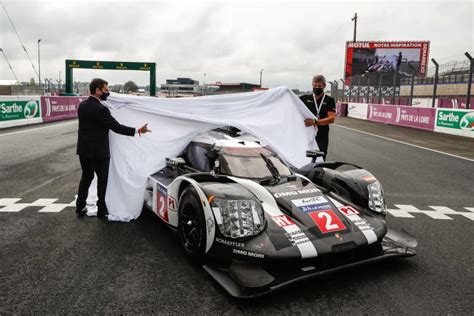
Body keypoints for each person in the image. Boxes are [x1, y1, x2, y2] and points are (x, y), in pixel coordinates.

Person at [76, 78, 151, 217]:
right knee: (102, 180)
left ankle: (80, 206)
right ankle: (102, 209)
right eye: (106, 90)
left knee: (86, 177)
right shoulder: (101, 109)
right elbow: (116, 127)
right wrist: (138, 130)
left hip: (84, 150)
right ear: (98, 90)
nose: (108, 93)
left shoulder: (82, 106)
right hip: (100, 152)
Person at [300, 75, 336, 160]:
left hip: (322, 135)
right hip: (306, 134)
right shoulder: (304, 98)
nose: (316, 88)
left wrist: (315, 122)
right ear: (312, 85)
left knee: (320, 158)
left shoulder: (329, 100)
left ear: (324, 86)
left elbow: (331, 119)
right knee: (304, 158)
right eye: (315, 86)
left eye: (319, 86)